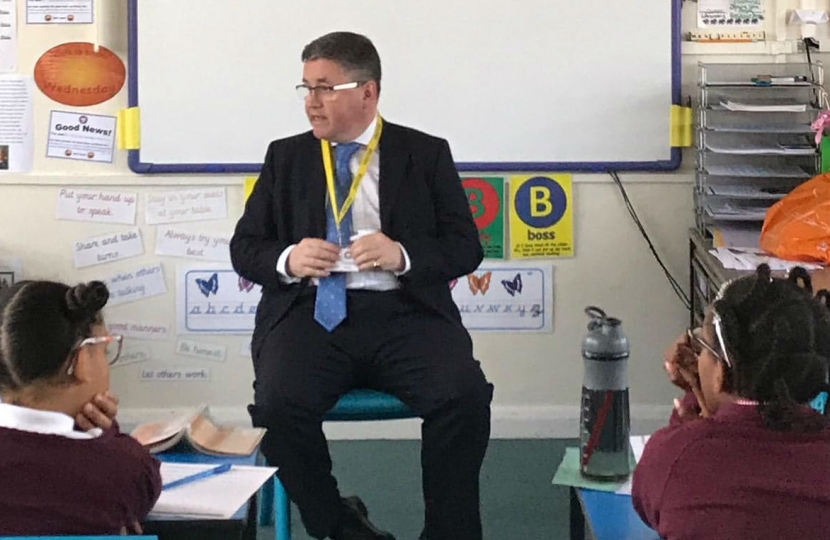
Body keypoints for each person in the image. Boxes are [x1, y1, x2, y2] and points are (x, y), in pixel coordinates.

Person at [230, 31, 493, 540]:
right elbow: (246, 247)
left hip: (405, 314)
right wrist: (289, 258)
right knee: (277, 407)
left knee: (463, 396)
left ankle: (448, 531)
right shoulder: (285, 158)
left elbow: (466, 247)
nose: (311, 102)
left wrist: (404, 255)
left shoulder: (425, 153)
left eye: (325, 88)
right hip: (311, 314)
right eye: (305, 87)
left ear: (367, 91)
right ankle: (340, 526)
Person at [632, 264, 830, 540]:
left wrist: (694, 404)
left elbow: (649, 502)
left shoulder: (677, 456)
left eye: (702, 346)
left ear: (721, 371)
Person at [0, 280, 162, 536]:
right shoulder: (122, 470)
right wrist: (106, 432)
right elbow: (144, 481)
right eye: (105, 352)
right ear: (83, 360)